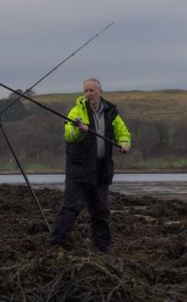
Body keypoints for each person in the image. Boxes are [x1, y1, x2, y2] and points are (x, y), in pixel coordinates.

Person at [50, 77, 131, 253]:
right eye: (85, 91)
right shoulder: (75, 112)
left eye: (91, 91)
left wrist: (124, 143)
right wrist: (79, 130)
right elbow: (69, 136)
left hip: (101, 170)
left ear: (100, 92)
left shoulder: (111, 113)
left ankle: (103, 247)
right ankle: (57, 243)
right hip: (79, 170)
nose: (88, 94)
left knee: (101, 211)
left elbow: (123, 133)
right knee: (71, 208)